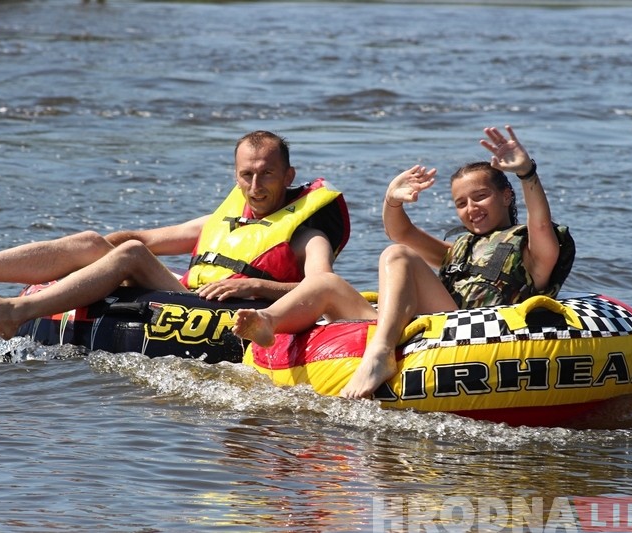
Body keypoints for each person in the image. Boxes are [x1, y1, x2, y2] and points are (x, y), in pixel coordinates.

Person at [232, 125, 574, 399]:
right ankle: (267, 321)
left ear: (506, 195)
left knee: (397, 257)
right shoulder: (459, 250)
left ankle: (379, 355)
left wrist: (527, 173)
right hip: (420, 334)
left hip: (472, 340)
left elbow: (540, 223)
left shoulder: (532, 251)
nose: (471, 208)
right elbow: (402, 232)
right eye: (461, 203)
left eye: (480, 196)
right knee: (327, 283)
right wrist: (392, 200)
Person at [0, 131, 350, 339]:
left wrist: (257, 285)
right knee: (98, 242)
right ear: (235, 176)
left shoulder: (305, 234)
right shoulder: (226, 218)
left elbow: (320, 287)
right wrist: (88, 256)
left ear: (288, 175)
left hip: (232, 316)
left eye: (267, 174)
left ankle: (17, 312)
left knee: (129, 255)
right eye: (247, 175)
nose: (256, 186)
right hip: (186, 297)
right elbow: (145, 236)